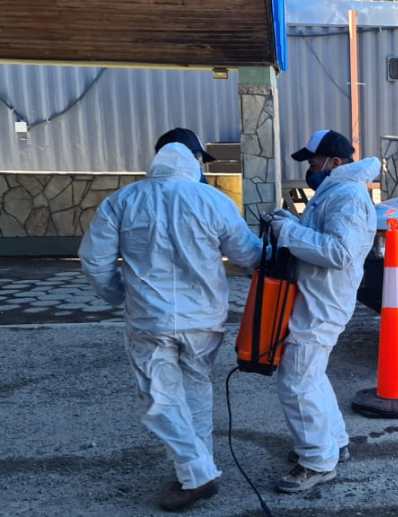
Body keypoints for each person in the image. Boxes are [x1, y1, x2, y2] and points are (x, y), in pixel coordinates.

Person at [79, 137, 262, 512]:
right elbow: (248, 254)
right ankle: (198, 467)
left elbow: (95, 261)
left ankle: (196, 473)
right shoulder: (213, 201)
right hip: (205, 320)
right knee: (196, 390)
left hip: (151, 320)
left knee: (160, 399)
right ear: (194, 163)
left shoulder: (123, 201)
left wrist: (119, 295)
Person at [269, 129, 379, 493]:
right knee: (311, 375)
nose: (310, 167)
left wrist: (288, 232)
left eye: (313, 160)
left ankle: (316, 461)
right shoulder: (335, 191)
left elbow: (339, 252)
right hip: (316, 297)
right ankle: (335, 443)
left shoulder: (348, 196)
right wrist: (291, 227)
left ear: (335, 161)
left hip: (324, 302)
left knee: (296, 379)